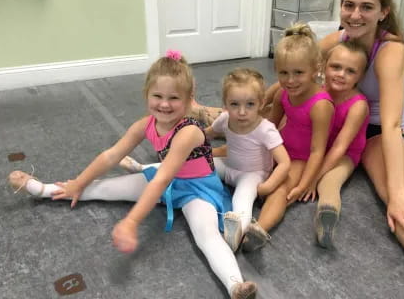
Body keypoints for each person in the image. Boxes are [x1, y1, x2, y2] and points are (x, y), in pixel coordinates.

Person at [266, 0, 404, 299]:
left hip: (376, 133)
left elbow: (389, 126)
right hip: (334, 123)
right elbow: (294, 71)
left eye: (366, 7)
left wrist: (400, 192)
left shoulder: (390, 51)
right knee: (259, 116)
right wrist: (260, 99)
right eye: (349, 5)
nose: (355, 14)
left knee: (398, 198)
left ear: (383, 11)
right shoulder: (338, 39)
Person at [7, 50, 258, 299]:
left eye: (174, 98)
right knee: (104, 188)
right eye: (158, 96)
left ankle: (236, 287)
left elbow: (161, 179)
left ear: (189, 99)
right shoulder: (146, 124)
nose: (164, 104)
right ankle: (42, 189)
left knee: (206, 236)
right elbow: (111, 155)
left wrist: (132, 221)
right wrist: (79, 182)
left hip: (197, 190)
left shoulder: (189, 131)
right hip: (167, 181)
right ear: (146, 94)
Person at [120, 68, 291, 253]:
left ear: (261, 103)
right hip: (228, 164)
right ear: (225, 104)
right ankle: (145, 167)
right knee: (187, 165)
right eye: (234, 104)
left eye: (250, 104)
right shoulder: (225, 119)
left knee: (243, 197)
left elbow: (284, 162)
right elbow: (205, 134)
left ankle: (237, 230)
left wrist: (269, 185)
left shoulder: (266, 129)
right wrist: (185, 142)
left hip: (252, 174)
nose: (242, 112)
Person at [241, 23, 335, 252]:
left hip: (301, 159)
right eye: (283, 73)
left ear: (316, 69)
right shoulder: (283, 92)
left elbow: (317, 151)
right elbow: (270, 125)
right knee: (242, 160)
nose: (290, 80)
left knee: (280, 189)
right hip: (280, 147)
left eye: (298, 73)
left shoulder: (321, 105)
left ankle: (260, 228)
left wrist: (304, 184)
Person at [311, 40, 370, 249]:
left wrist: (313, 177)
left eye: (350, 71)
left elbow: (340, 147)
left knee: (330, 181)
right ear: (324, 66)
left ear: (360, 76)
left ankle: (327, 215)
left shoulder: (358, 105)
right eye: (335, 67)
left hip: (345, 154)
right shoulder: (317, 91)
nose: (341, 74)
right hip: (318, 144)